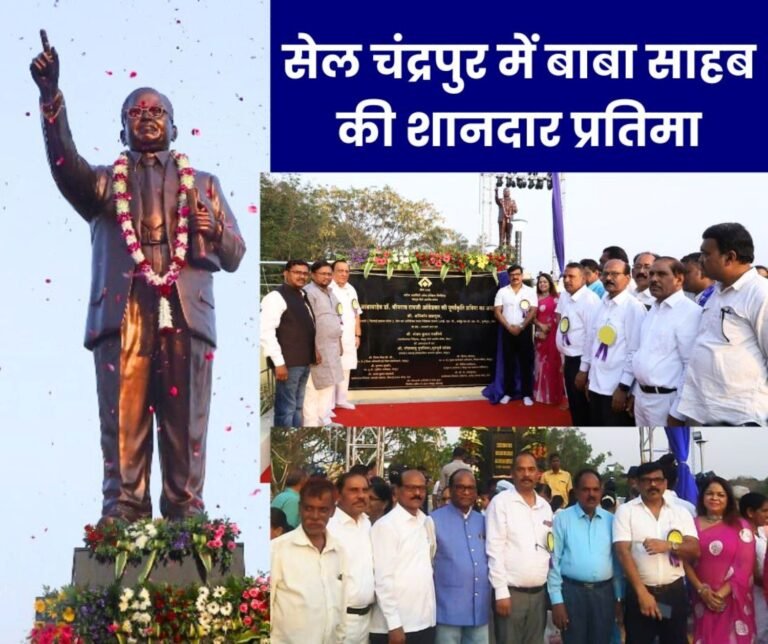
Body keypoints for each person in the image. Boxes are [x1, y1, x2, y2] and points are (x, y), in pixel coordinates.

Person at [31, 32, 246, 522]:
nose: (147, 119)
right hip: (124, 307)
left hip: (185, 309)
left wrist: (213, 232)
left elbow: (235, 255)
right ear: (122, 129)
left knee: (185, 419)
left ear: (175, 125)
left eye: (157, 113)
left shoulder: (205, 183)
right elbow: (65, 168)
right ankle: (124, 505)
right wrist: (51, 99)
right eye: (136, 113)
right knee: (123, 417)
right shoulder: (105, 183)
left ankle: (184, 509)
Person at [678, 223, 768, 426]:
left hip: (739, 416)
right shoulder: (717, 293)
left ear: (730, 257)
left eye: (706, 254)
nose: (701, 260)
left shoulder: (760, 293)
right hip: (702, 410)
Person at [613, 461, 700, 644]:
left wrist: (669, 546)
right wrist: (642, 593)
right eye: (647, 480)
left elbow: (694, 550)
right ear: (637, 483)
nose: (653, 485)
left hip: (673, 594)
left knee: (675, 639)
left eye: (658, 480)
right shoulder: (626, 511)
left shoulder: (680, 512)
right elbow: (623, 553)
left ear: (665, 483)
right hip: (640, 593)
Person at [548, 469, 623, 644]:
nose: (591, 494)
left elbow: (618, 564)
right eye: (586, 489)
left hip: (603, 595)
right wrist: (557, 601)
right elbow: (553, 562)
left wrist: (619, 597)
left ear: (601, 491)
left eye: (596, 490)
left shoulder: (611, 521)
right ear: (576, 491)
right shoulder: (562, 519)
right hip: (573, 594)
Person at [486, 452, 553, 644]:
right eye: (521, 469)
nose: (526, 474)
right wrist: (500, 592)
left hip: (539, 594)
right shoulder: (501, 503)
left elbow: (547, 547)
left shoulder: (544, 507)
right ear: (512, 473)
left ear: (538, 474)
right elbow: (494, 548)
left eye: (531, 469)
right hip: (511, 594)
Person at [271, 477, 347, 643]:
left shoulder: (338, 550)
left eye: (322, 510)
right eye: (308, 508)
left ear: (332, 511)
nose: (314, 516)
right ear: (299, 508)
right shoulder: (278, 549)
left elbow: (340, 606)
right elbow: (265, 607)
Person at [684, 477, 756, 643]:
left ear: (728, 499)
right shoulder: (690, 525)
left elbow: (744, 567)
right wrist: (702, 591)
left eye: (720, 495)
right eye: (710, 493)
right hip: (700, 596)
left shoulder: (740, 526)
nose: (714, 498)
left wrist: (718, 595)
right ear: (702, 497)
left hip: (731, 598)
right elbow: (685, 560)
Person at [631, 257, 702, 426]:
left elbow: (690, 366)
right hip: (642, 397)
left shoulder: (690, 313)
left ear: (679, 278)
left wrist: (677, 412)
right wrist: (635, 392)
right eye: (652, 274)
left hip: (666, 401)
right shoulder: (652, 309)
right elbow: (641, 353)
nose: (654, 279)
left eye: (662, 274)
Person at [576, 259, 646, 426]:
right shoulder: (601, 304)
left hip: (616, 387)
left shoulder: (634, 308)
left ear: (628, 278)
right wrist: (585, 372)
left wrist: (623, 388)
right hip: (596, 384)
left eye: (615, 274)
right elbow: (591, 340)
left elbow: (635, 351)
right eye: (606, 274)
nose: (609, 278)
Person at [370, 469, 437, 644]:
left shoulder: (426, 522)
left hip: (424, 622)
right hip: (395, 628)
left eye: (422, 488)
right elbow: (382, 579)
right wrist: (394, 624)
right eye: (410, 488)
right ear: (396, 491)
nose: (417, 493)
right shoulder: (386, 526)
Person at [432, 469, 491, 644]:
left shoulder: (484, 521)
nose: (466, 492)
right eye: (460, 487)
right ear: (450, 489)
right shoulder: (433, 520)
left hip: (478, 611)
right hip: (447, 612)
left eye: (470, 488)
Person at [261, 260, 316, 427]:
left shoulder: (302, 295)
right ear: (286, 273)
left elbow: (308, 326)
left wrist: (314, 352)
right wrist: (279, 363)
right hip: (288, 364)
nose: (301, 276)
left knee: (298, 407)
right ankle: (284, 431)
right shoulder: (275, 297)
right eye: (297, 272)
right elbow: (265, 332)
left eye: (305, 273)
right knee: (287, 408)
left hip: (303, 361)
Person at [327, 472, 375, 644]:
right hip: (340, 622)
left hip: (368, 621)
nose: (361, 496)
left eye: (364, 490)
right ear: (338, 495)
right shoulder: (329, 528)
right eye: (353, 490)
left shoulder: (367, 524)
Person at [556, 263, 602, 425]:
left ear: (583, 278)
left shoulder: (590, 300)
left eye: (572, 277)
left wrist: (584, 370)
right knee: (575, 406)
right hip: (570, 359)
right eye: (565, 276)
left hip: (582, 362)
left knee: (582, 406)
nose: (567, 280)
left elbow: (593, 336)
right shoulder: (566, 297)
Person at [303, 260, 344, 426]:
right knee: (313, 388)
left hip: (332, 347)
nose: (327, 277)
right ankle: (311, 422)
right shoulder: (308, 292)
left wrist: (339, 342)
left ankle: (324, 419)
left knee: (329, 384)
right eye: (323, 274)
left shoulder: (330, 292)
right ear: (313, 274)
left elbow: (336, 319)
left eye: (329, 274)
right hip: (317, 347)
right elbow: (307, 323)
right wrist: (313, 349)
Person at [493, 264, 538, 407]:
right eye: (512, 274)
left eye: (518, 274)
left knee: (526, 364)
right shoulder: (502, 291)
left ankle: (526, 394)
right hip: (507, 331)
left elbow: (533, 311)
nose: (515, 277)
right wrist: (508, 327)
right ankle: (508, 393)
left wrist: (522, 326)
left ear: (522, 275)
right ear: (508, 276)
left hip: (524, 331)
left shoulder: (530, 291)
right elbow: (497, 311)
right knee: (509, 363)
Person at [328, 260, 362, 412]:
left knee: (346, 368)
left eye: (346, 271)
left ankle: (341, 400)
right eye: (340, 271)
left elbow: (356, 312)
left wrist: (357, 334)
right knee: (331, 370)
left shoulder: (351, 289)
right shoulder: (328, 288)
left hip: (348, 336)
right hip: (331, 337)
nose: (344, 274)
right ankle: (327, 406)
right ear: (333, 272)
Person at [740, 492, 768, 643]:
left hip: (763, 591)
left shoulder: (760, 533)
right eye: (764, 511)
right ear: (750, 512)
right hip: (756, 594)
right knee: (760, 632)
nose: (767, 514)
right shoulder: (745, 536)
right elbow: (752, 570)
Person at [533, 273, 565, 405]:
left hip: (555, 335)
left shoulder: (558, 298)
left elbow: (562, 316)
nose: (543, 284)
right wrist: (541, 327)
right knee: (540, 363)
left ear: (550, 283)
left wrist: (551, 328)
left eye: (545, 282)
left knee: (554, 364)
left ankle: (554, 395)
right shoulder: (534, 298)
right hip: (541, 334)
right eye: (540, 282)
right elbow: (531, 317)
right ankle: (540, 394)